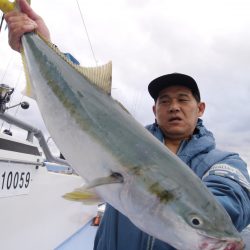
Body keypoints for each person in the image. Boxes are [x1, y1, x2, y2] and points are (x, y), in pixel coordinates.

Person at [5, 1, 250, 249]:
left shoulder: (225, 162)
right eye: (164, 101)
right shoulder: (126, 135)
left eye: (183, 100)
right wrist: (42, 43)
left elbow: (232, 200)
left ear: (201, 109)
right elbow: (88, 100)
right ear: (155, 111)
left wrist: (213, 230)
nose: (174, 106)